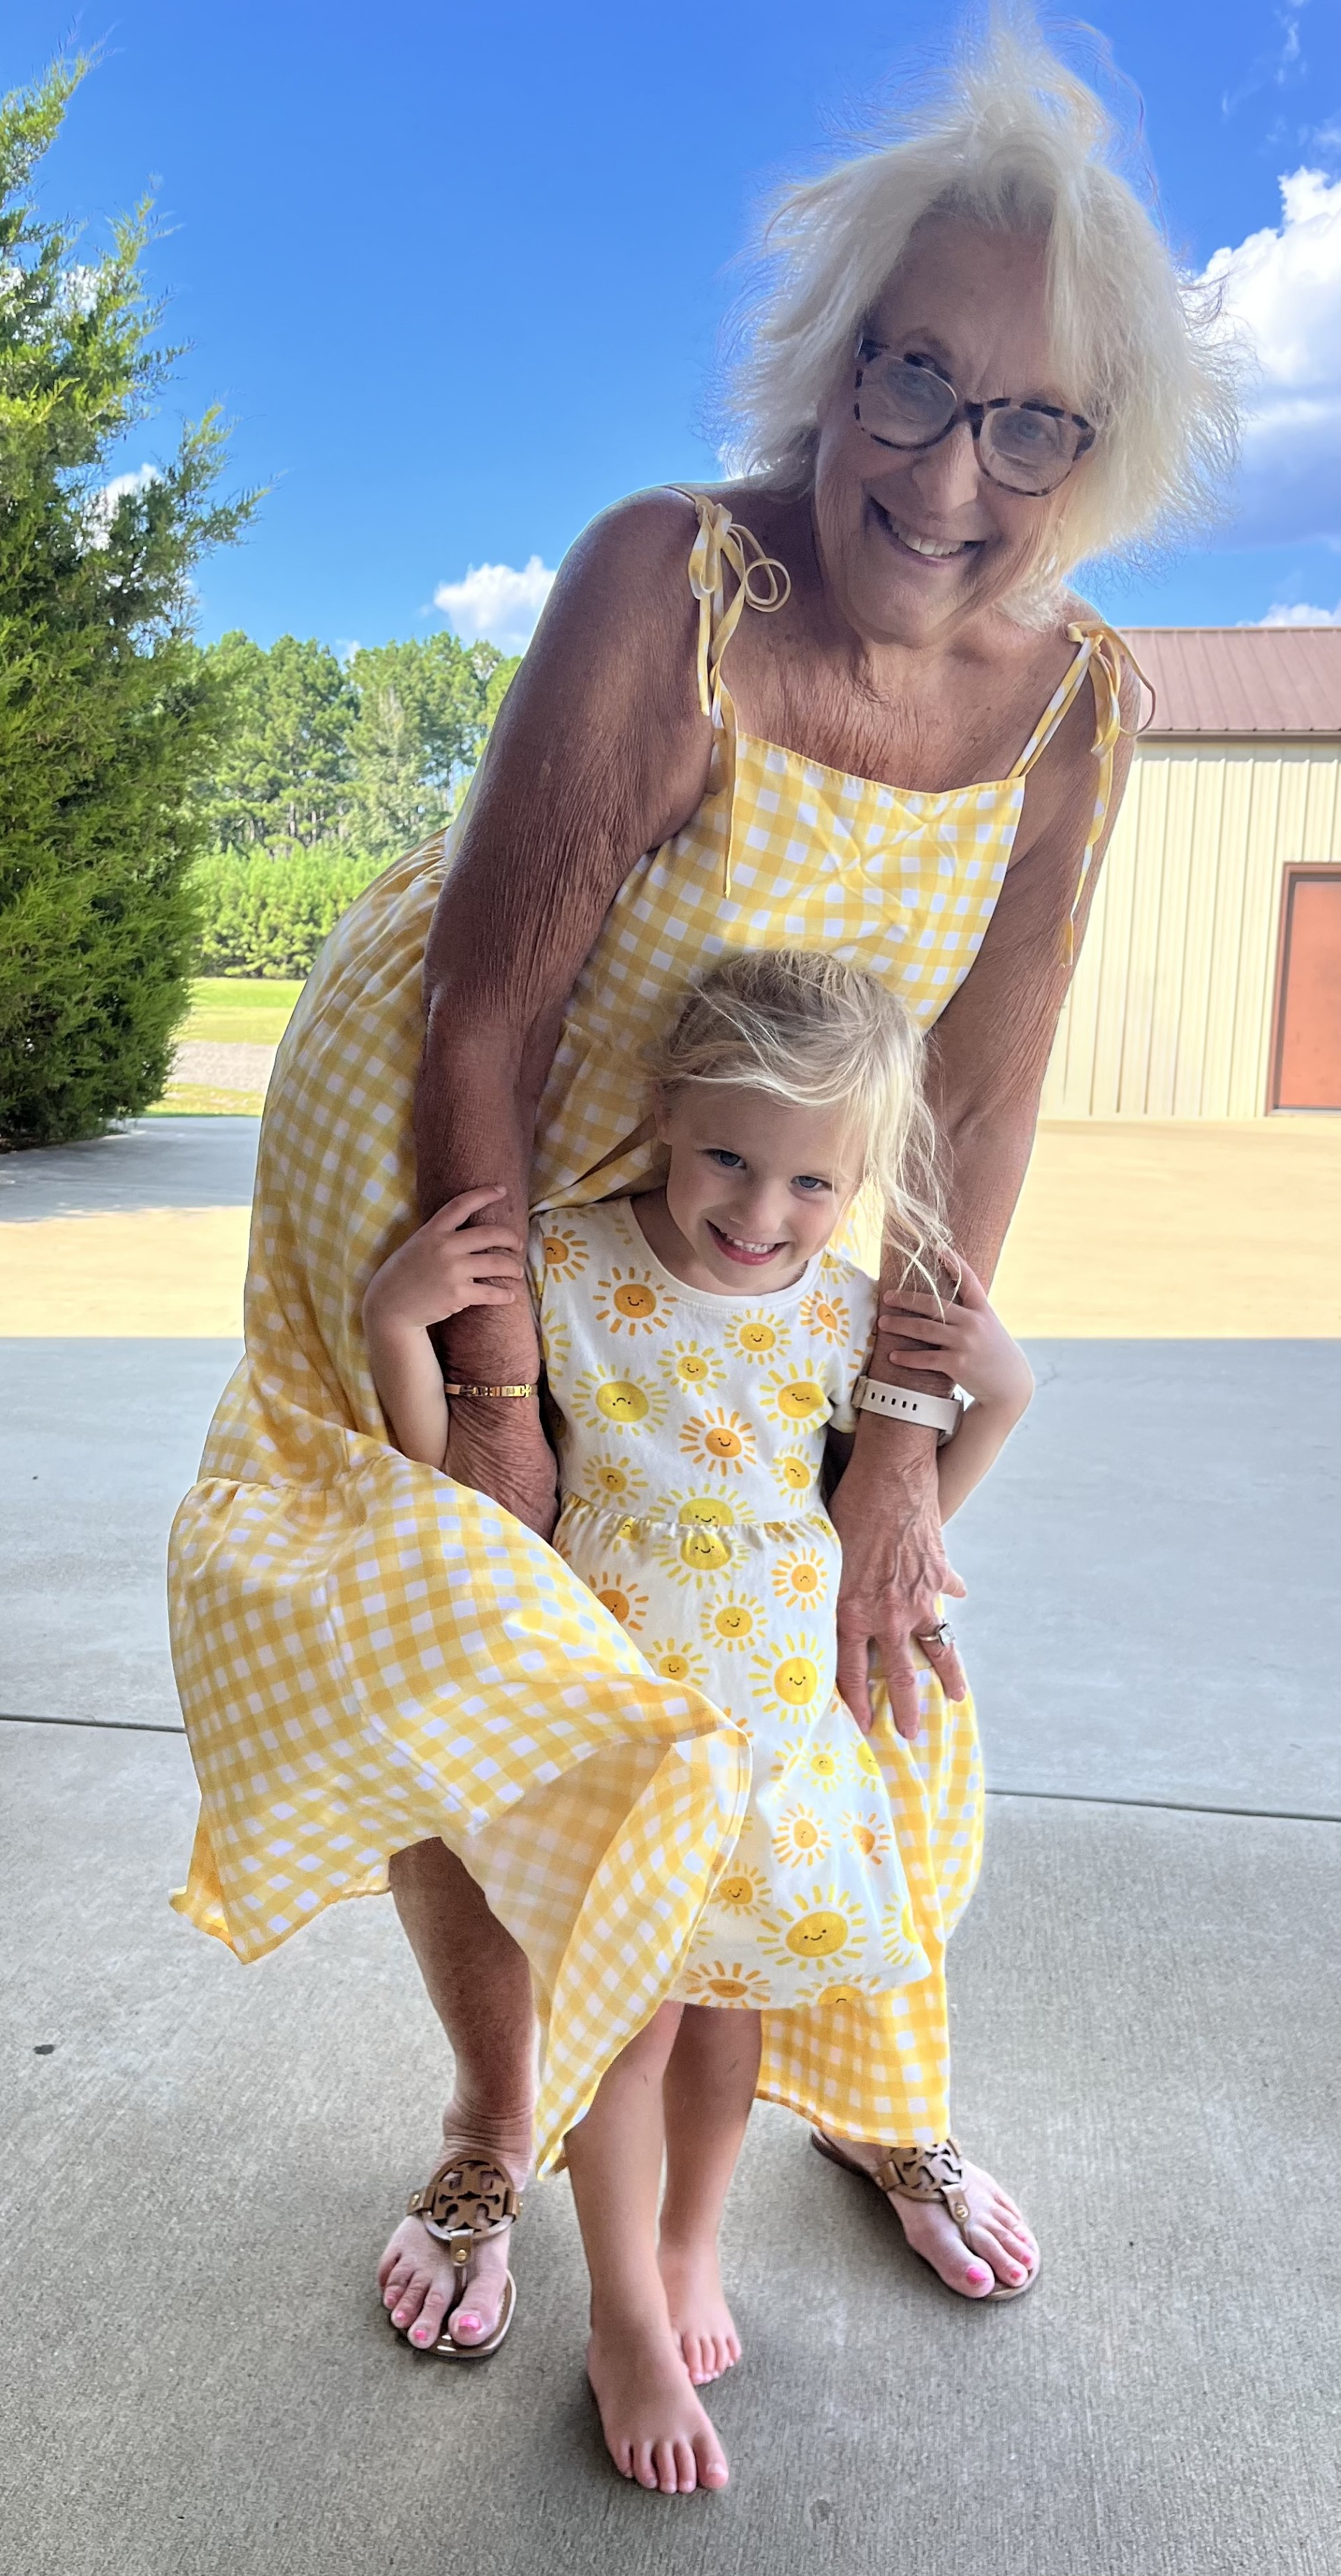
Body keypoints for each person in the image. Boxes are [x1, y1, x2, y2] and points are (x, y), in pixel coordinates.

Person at [168, 24, 1239, 2373]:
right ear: (830, 360)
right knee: (505, 1675)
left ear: (1105, 449)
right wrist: (506, 1411)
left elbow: (984, 1079)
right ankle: (494, 2113)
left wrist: (895, 1441)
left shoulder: (1081, 704)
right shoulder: (679, 578)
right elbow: (485, 1009)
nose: (953, 474)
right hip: (472, 1155)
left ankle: (860, 2064)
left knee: (844, 1648)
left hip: (760, 1196)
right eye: (912, 379)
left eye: (1033, 420)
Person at [363, 951, 1038, 2492]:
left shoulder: (849, 1310)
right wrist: (401, 1328)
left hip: (784, 1736)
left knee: (726, 2017)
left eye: (815, 1178)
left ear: (859, 1183)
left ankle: (687, 2245)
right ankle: (622, 2321)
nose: (762, 1207)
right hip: (628, 1743)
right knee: (624, 2027)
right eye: (730, 1150)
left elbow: (920, 1486)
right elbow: (466, 1500)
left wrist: (999, 1391)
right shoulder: (576, 1269)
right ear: (662, 1109)